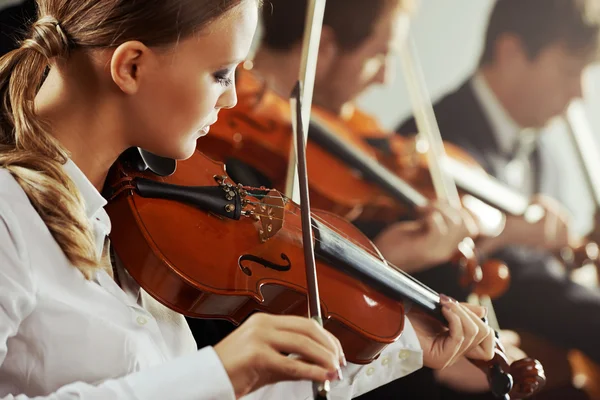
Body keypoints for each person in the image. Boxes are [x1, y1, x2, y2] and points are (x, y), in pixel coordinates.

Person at [0, 0, 496, 399]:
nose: (235, 98)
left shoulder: (137, 210)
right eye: (220, 73)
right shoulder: (9, 216)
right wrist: (220, 371)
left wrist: (403, 345)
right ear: (130, 66)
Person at [196, 0, 528, 398]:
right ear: (326, 47)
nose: (386, 79)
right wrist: (387, 263)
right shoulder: (214, 158)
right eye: (379, 55)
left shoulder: (345, 165)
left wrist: (388, 261)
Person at [397, 0, 600, 388]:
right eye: (570, 71)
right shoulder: (431, 147)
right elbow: (528, 287)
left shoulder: (547, 160)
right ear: (511, 52)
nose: (580, 92)